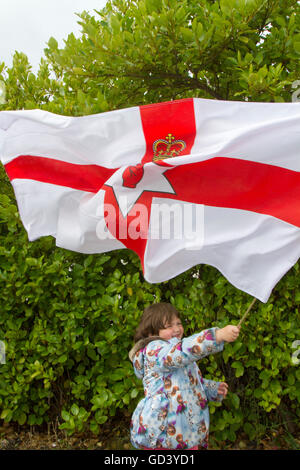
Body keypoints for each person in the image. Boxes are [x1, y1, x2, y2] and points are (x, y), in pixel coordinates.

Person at [129, 302, 240, 450]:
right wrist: (216, 336)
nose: (176, 329)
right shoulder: (155, 350)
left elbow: (188, 383)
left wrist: (211, 388)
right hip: (164, 433)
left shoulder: (177, 352)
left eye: (178, 323)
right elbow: (180, 353)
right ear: (151, 333)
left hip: (186, 432)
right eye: (168, 326)